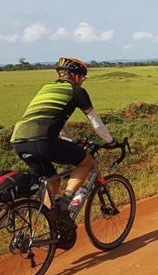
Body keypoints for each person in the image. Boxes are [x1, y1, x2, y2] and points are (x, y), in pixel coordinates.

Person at [10, 56, 117, 222]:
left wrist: (70, 141)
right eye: (82, 77)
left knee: (52, 180)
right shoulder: (76, 91)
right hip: (42, 141)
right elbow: (96, 123)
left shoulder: (46, 88)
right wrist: (111, 141)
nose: (82, 81)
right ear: (75, 75)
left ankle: (51, 222)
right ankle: (64, 203)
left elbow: (55, 120)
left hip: (19, 142)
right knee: (86, 162)